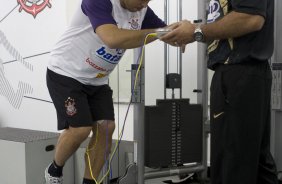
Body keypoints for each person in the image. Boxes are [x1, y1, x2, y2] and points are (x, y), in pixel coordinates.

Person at [45, 0, 167, 183]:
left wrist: (185, 31)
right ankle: (54, 171)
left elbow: (165, 30)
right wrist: (160, 33)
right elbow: (112, 38)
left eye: (147, 1)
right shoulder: (99, 1)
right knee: (80, 130)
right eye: (141, 0)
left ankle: (89, 181)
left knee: (106, 128)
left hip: (97, 80)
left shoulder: (141, 10)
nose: (144, 6)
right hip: (66, 73)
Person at [160, 0, 278, 184]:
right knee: (253, 164)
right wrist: (192, 29)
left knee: (232, 165)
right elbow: (230, 18)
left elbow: (250, 18)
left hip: (238, 74)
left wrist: (197, 32)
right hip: (239, 75)